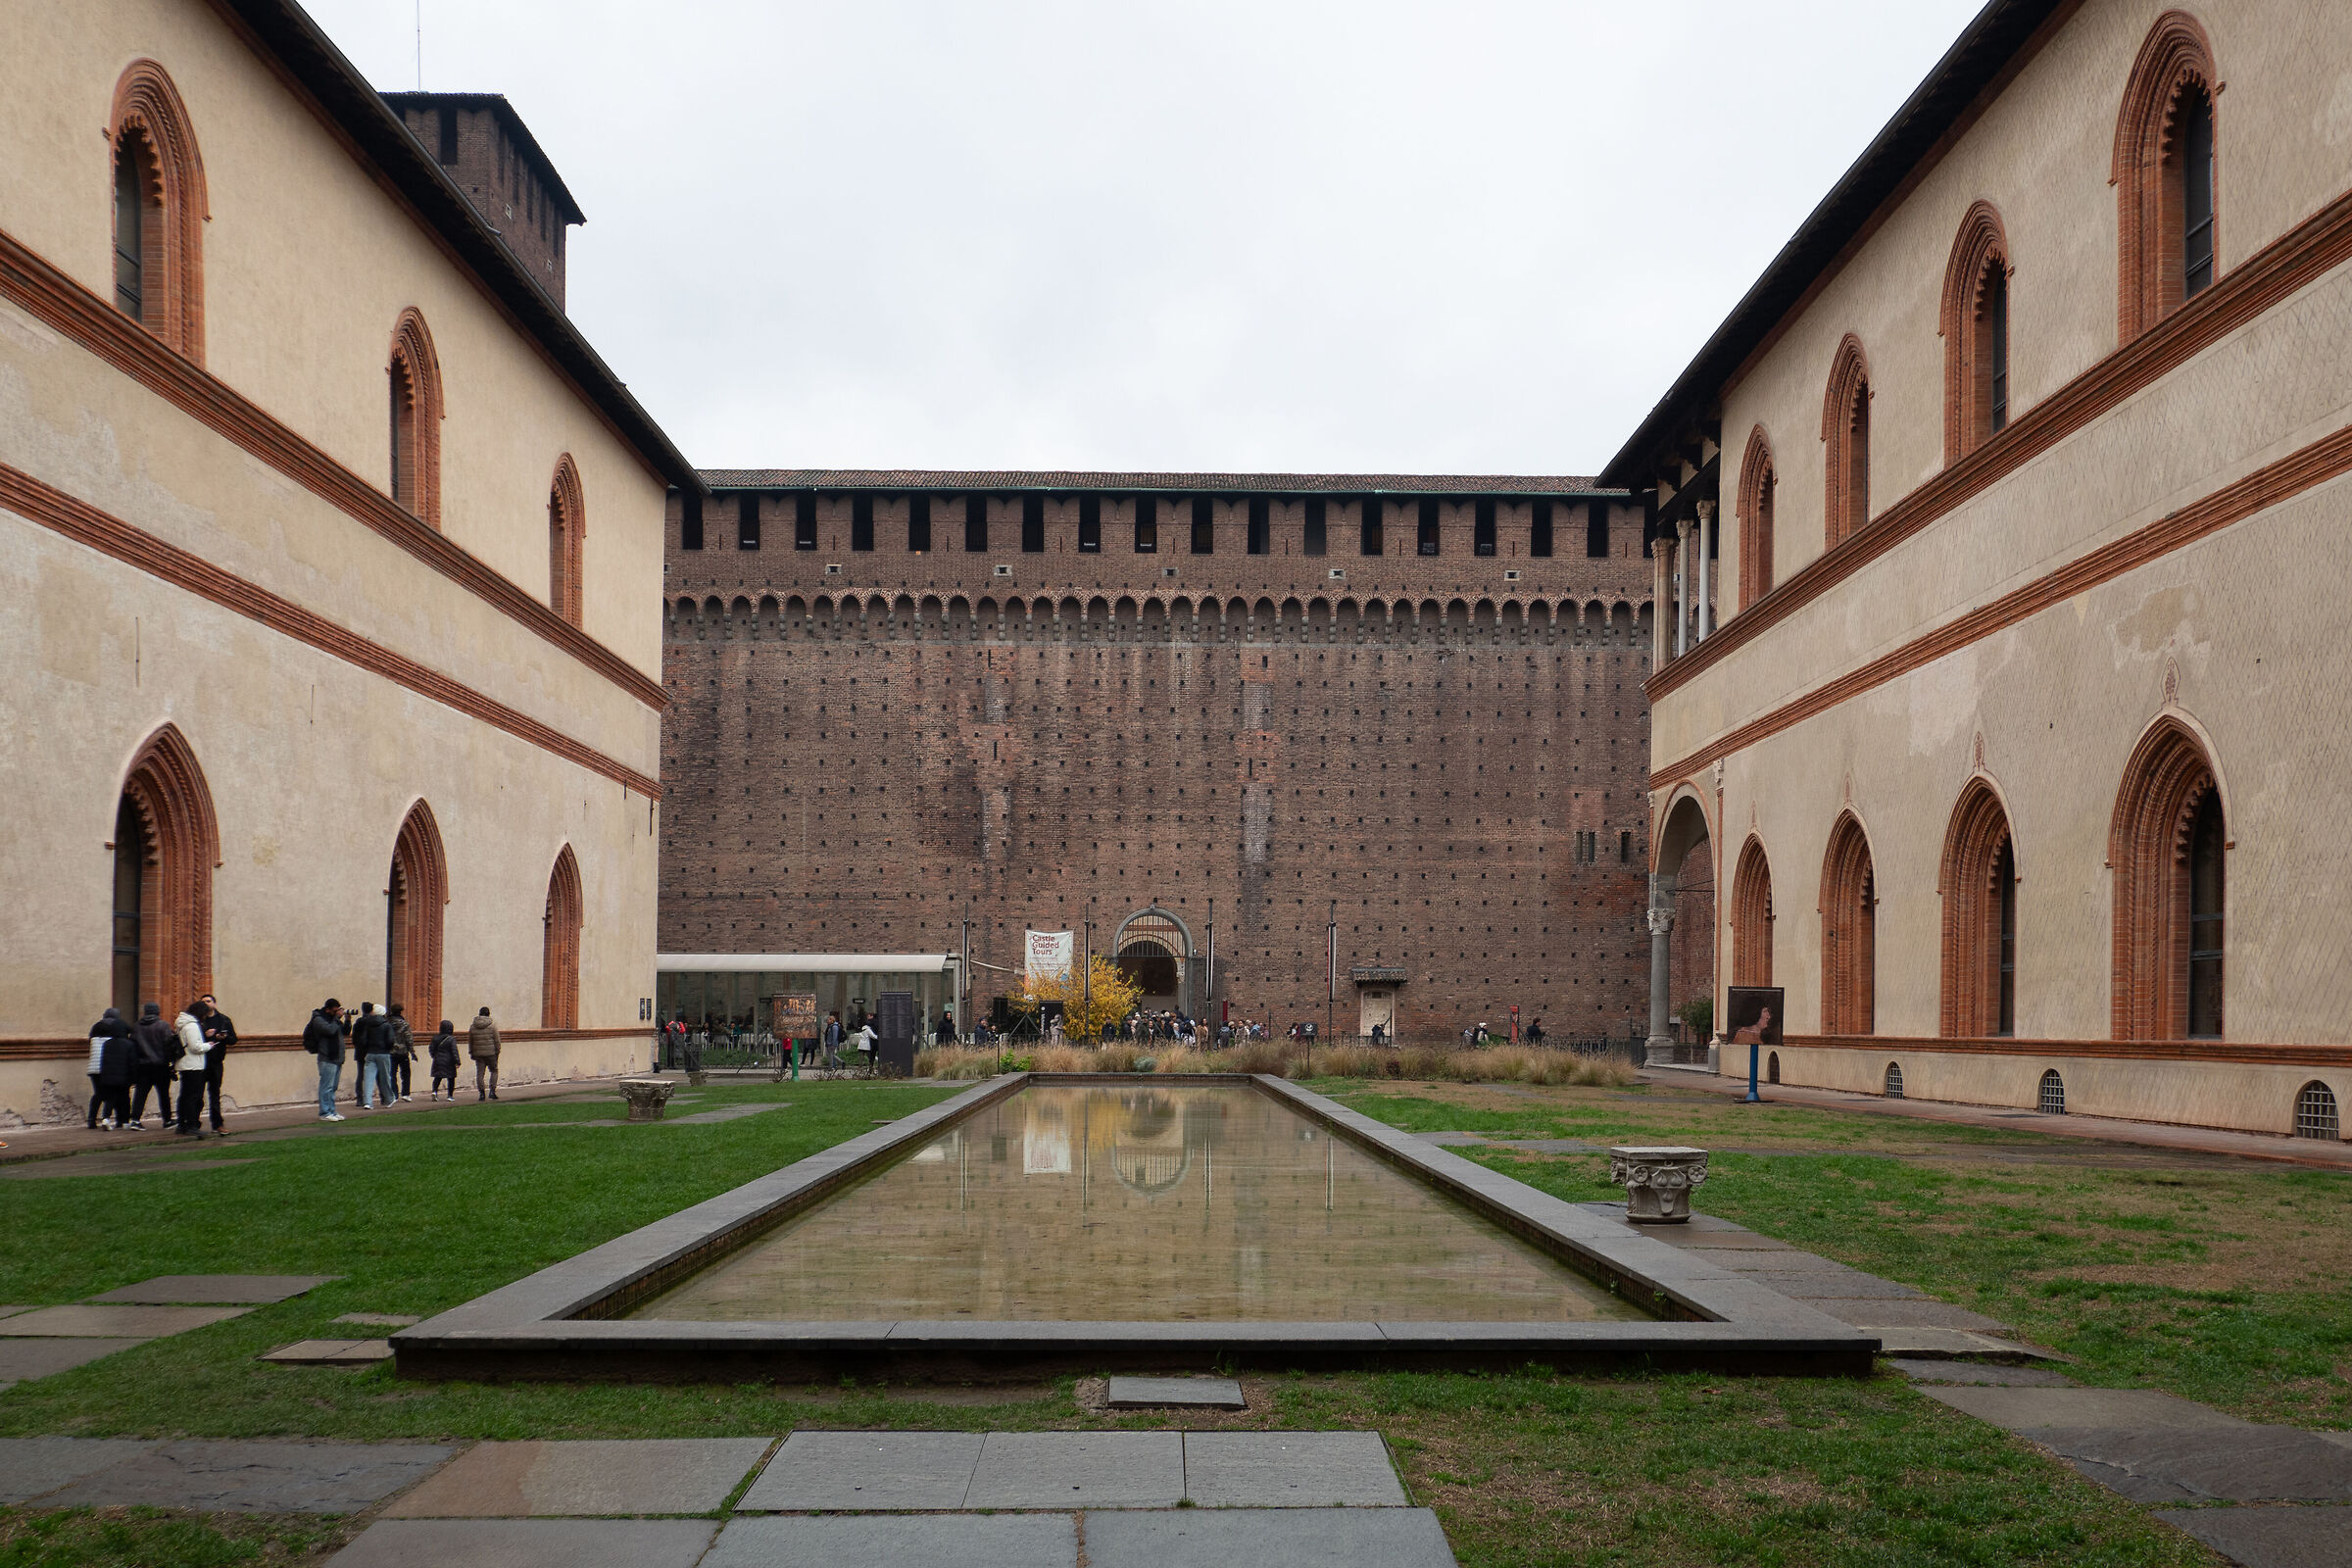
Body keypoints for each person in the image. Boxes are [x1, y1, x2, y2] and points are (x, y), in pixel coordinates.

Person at [128, 1003, 176, 1129]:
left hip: (143, 1064)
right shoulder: (163, 1025)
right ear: (157, 1011)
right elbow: (168, 1045)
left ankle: (135, 1119)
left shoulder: (136, 1027)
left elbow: (133, 1046)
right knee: (164, 1094)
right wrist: (171, 1062)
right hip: (160, 1065)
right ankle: (167, 1120)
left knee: (140, 1093)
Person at [194, 994, 236, 1133]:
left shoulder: (223, 1020)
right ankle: (194, 1123)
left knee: (215, 1094)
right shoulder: (198, 1021)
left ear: (214, 1004)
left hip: (216, 1061)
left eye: (208, 1001)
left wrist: (222, 1037)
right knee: (197, 1094)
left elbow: (233, 1039)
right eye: (203, 1002)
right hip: (200, 1061)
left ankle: (217, 1124)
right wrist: (206, 1035)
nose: (206, 1004)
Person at [86, 1006, 132, 1129]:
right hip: (108, 1068)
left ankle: (91, 1119)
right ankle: (118, 1120)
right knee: (114, 1095)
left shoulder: (95, 1027)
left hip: (93, 1067)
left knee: (98, 1094)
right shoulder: (115, 1029)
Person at [171, 1001, 211, 1138]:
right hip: (193, 1065)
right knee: (194, 1096)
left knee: (185, 1095)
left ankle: (182, 1124)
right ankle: (192, 1124)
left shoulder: (182, 1024)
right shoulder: (192, 1026)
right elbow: (195, 1047)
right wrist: (209, 1045)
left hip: (184, 1064)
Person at [303, 999, 347, 1121]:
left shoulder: (334, 1020)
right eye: (335, 1010)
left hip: (337, 1057)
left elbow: (345, 1032)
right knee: (326, 1086)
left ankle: (332, 1111)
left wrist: (347, 1020)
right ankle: (324, 1112)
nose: (337, 1012)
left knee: (333, 1087)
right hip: (327, 1057)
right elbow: (330, 1030)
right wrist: (337, 1019)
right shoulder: (319, 1019)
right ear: (328, 1009)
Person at [350, 1002, 390, 1110]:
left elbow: (355, 1038)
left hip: (360, 1051)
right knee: (379, 1075)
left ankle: (361, 1099)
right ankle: (384, 1097)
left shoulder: (358, 1022)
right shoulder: (374, 1023)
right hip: (372, 1051)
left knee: (362, 1076)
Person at [468, 1005, 501, 1100]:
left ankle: (482, 1094)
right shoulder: (492, 1026)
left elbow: (471, 1041)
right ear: (488, 1014)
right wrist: (497, 1051)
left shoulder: (473, 1027)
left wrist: (471, 1052)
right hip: (491, 1053)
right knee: (494, 1071)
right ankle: (492, 1091)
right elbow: (497, 1041)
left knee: (480, 1073)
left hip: (478, 1054)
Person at [386, 1003, 416, 1102]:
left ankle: (394, 1094)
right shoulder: (404, 1024)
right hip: (402, 1051)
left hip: (391, 1051)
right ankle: (405, 1093)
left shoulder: (387, 1023)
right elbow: (409, 1039)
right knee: (406, 1073)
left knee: (392, 1073)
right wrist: (412, 1051)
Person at [428, 1018, 460, 1100]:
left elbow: (431, 1048)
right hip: (449, 1061)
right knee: (451, 1079)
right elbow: (454, 1051)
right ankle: (450, 1095)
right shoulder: (451, 1039)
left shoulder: (435, 1038)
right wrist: (457, 1061)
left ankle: (434, 1091)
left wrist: (434, 1056)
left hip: (437, 1060)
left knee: (437, 1078)